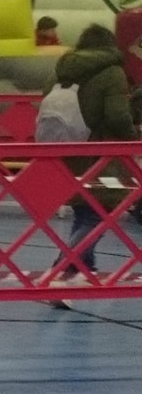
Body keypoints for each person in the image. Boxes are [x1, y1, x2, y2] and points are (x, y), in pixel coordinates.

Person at [49, 23, 139, 289]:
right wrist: (133, 136)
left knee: (84, 211)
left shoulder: (60, 72)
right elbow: (117, 116)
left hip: (64, 149)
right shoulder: (112, 73)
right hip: (100, 152)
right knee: (99, 214)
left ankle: (83, 268)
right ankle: (64, 267)